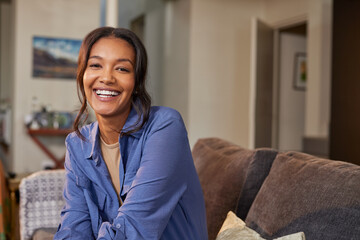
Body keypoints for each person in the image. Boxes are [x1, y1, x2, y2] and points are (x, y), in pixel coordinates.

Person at [54, 27, 208, 240]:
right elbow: (74, 224)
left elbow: (134, 227)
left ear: (136, 81)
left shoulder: (165, 127)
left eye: (122, 69)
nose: (106, 78)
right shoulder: (77, 144)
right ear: (82, 75)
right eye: (96, 65)